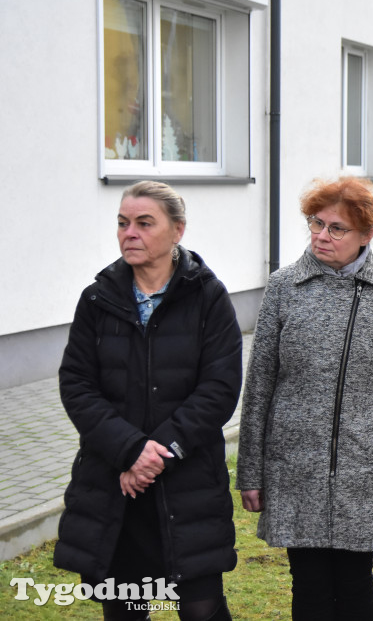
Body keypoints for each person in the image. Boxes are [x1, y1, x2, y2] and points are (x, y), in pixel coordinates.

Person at [236, 176, 373, 620]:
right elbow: (260, 381)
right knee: (309, 583)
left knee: (355, 579)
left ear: (366, 235)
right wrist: (251, 470)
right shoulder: (284, 286)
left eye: (337, 228)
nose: (322, 236)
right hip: (294, 463)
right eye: (316, 224)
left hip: (365, 464)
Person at [55, 181, 242, 620]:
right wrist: (129, 450)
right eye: (122, 223)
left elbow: (220, 388)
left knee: (201, 609)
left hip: (187, 486)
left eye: (143, 223)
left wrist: (158, 454)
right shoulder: (97, 299)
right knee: (124, 609)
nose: (129, 233)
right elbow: (76, 384)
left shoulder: (208, 298)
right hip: (115, 485)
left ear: (177, 230)